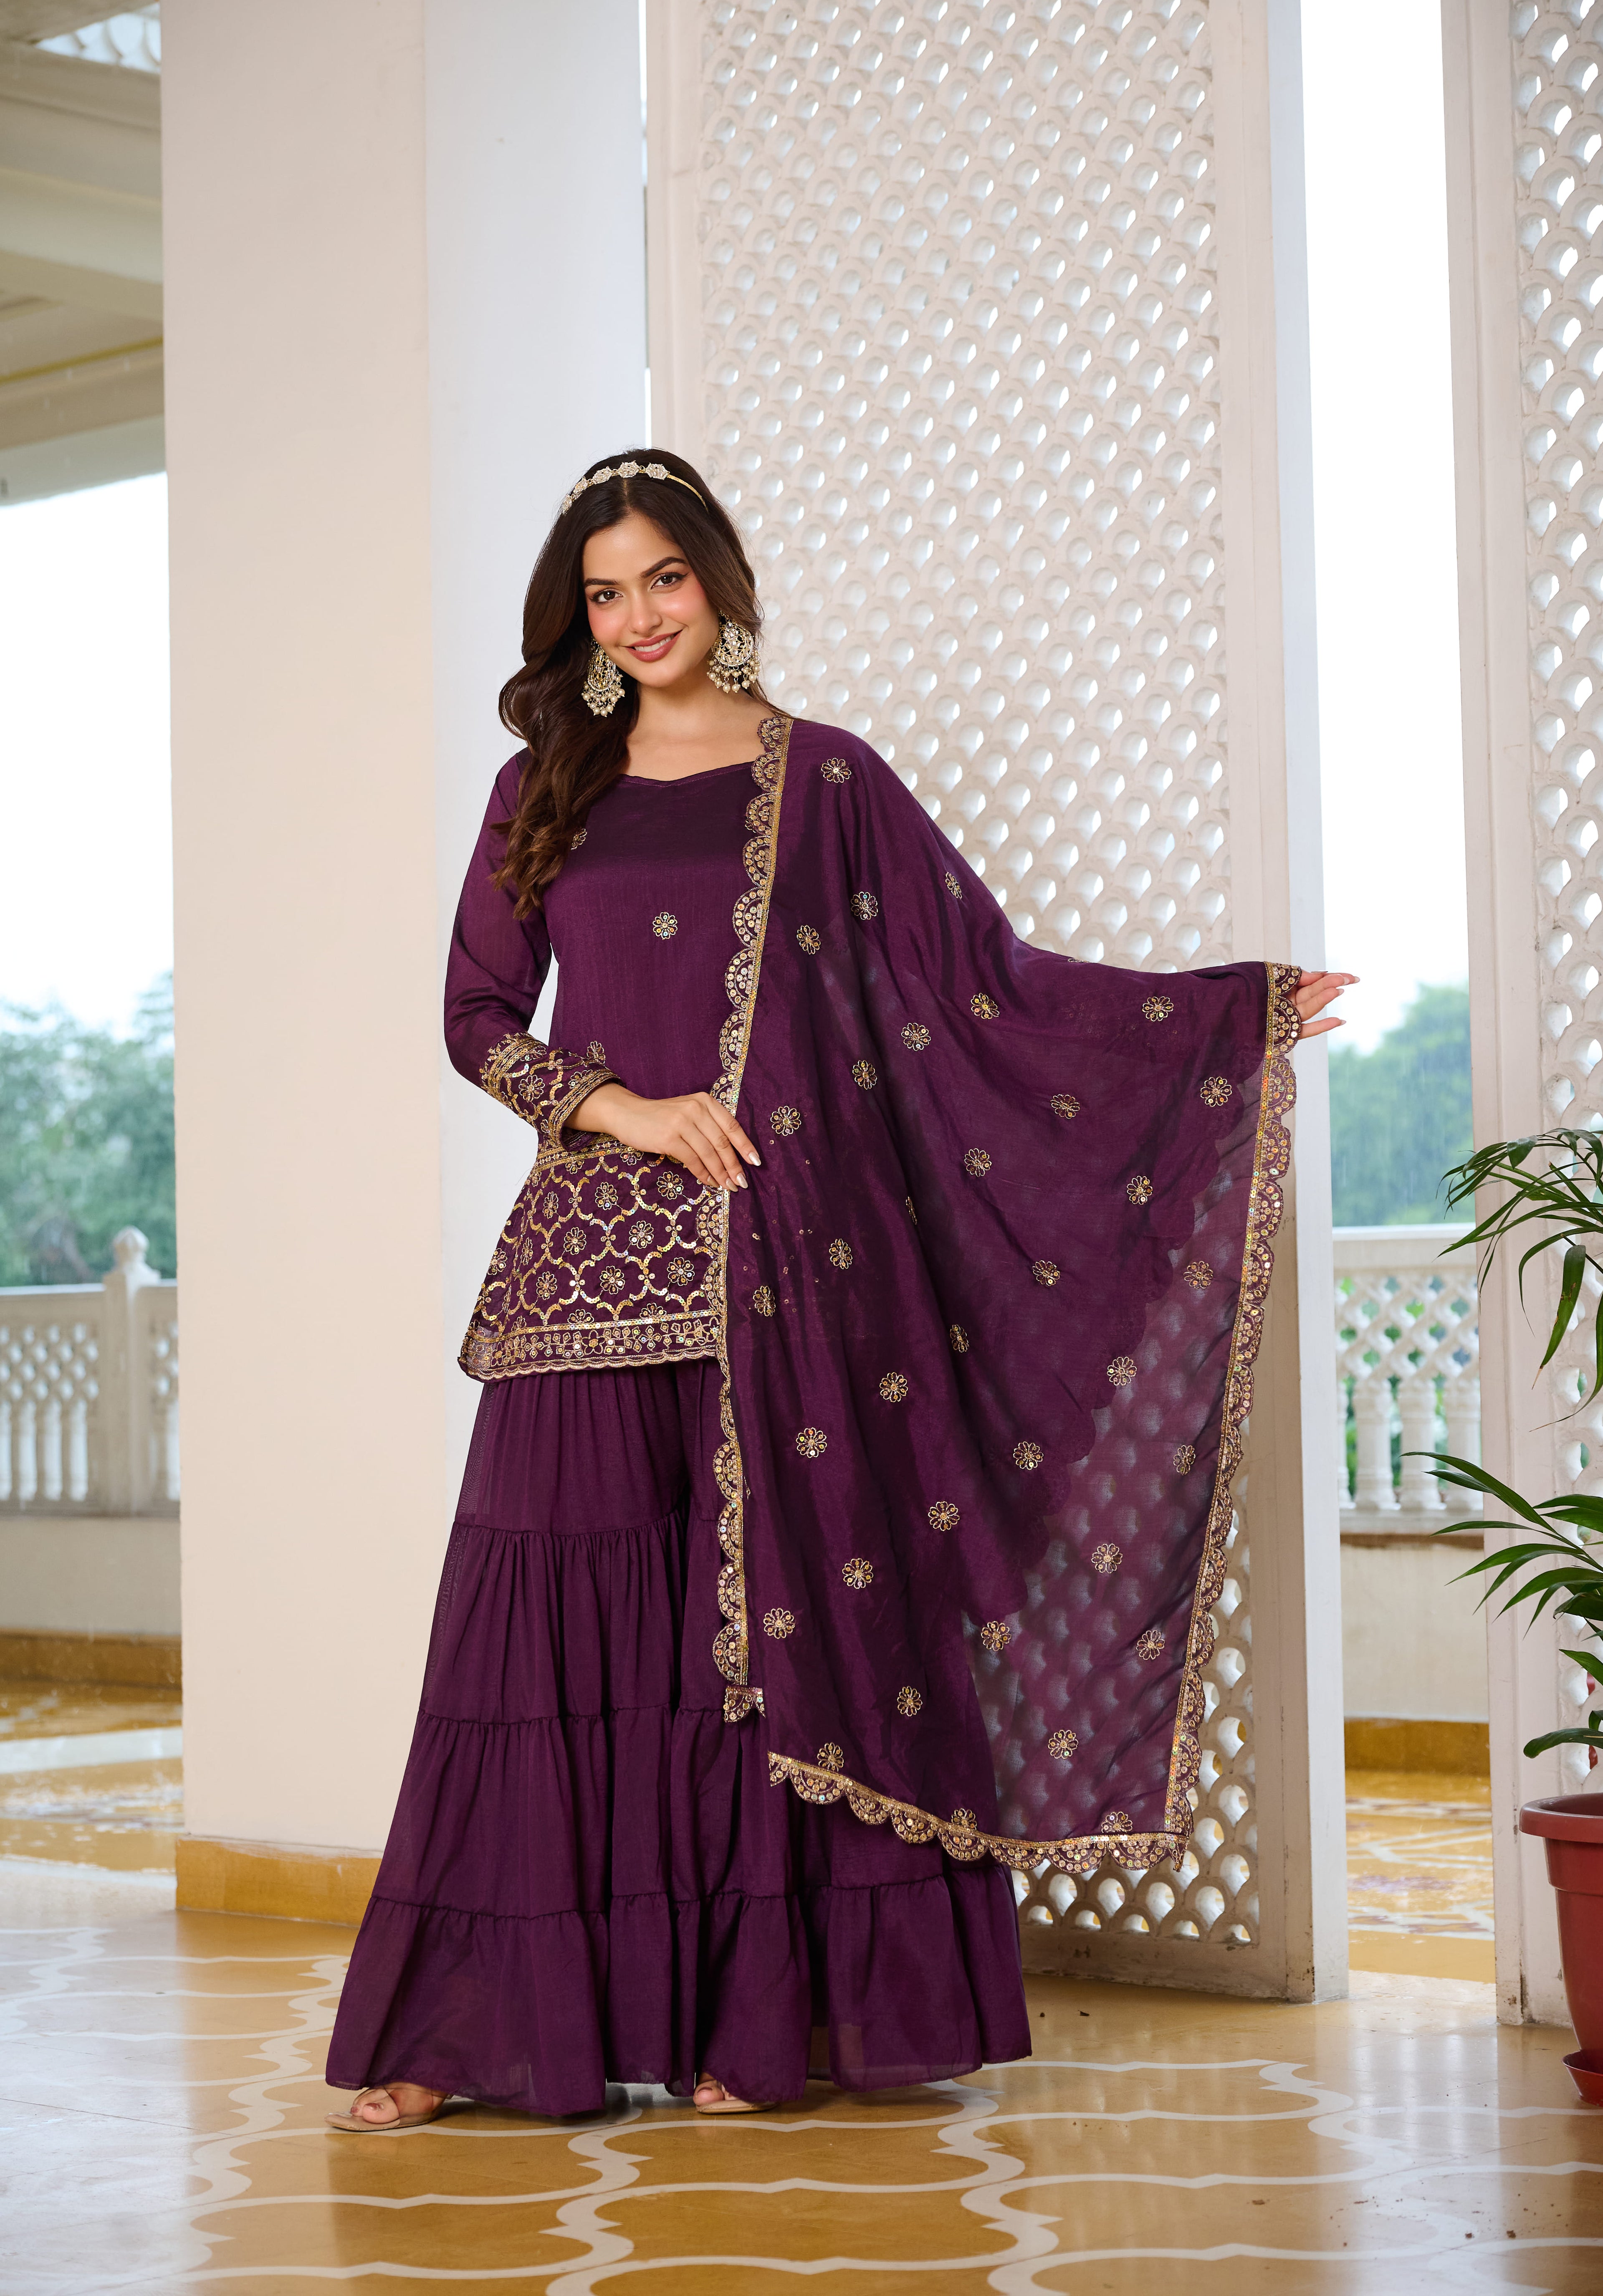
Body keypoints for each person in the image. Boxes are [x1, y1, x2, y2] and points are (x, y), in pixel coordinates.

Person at [325, 448, 1351, 2129]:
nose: (641, 614)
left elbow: (988, 991)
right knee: (545, 1650)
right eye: (607, 590)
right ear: (578, 619)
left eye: (665, 577)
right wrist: (623, 1108)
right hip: (592, 1267)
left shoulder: (831, 783)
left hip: (796, 1267)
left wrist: (1227, 1018)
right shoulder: (548, 788)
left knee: (772, 1644)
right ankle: (468, 2029)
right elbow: (474, 1016)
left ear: (718, 584)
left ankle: (762, 2024)